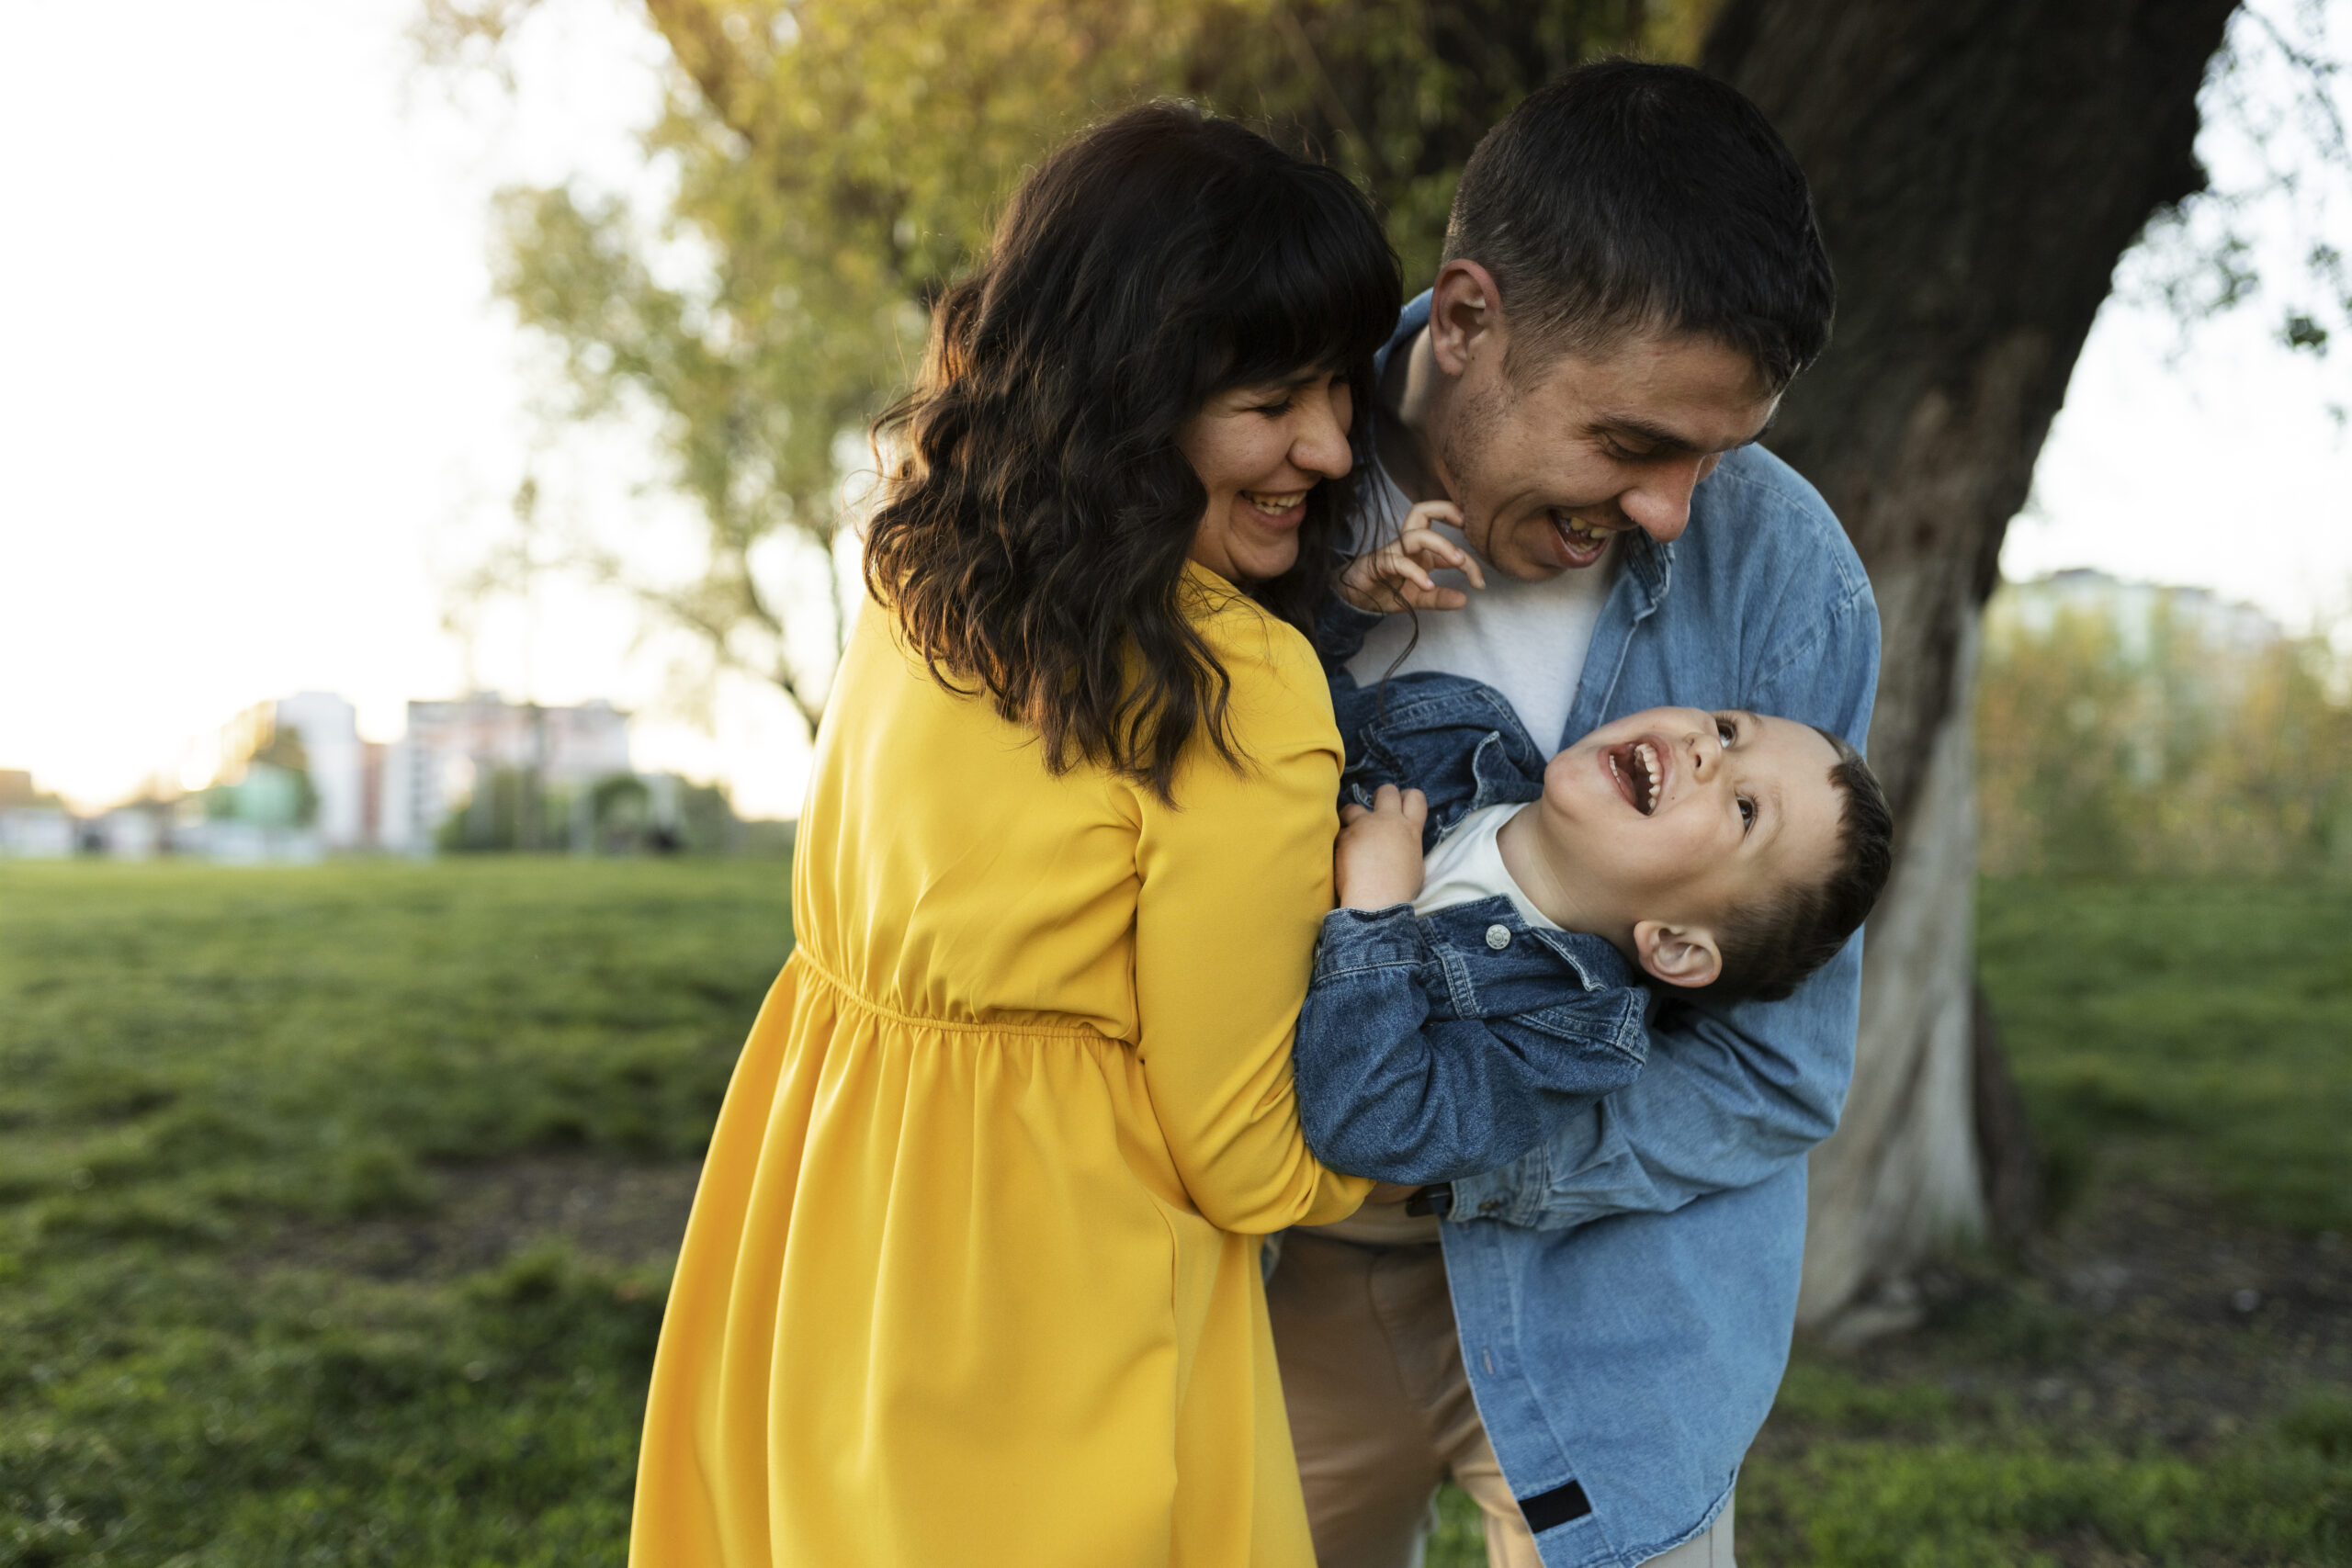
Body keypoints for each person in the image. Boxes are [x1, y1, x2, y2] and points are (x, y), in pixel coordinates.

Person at [628, 103, 1400, 1568]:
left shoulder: (914, 579)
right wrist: (1390, 1083)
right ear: (1133, 388)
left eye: (1341, 390)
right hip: (1051, 1334)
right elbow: (1243, 1160)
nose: (1326, 443)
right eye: (1272, 397)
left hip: (822, 1255)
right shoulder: (1238, 691)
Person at [1269, 60, 1880, 1568]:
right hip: (1265, 1272)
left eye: (1714, 453)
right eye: (1632, 445)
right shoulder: (1260, 463)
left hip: (1608, 1301)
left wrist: (1454, 1148)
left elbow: (1781, 1067)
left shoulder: (1788, 577)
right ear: (1466, 320)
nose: (1676, 506)